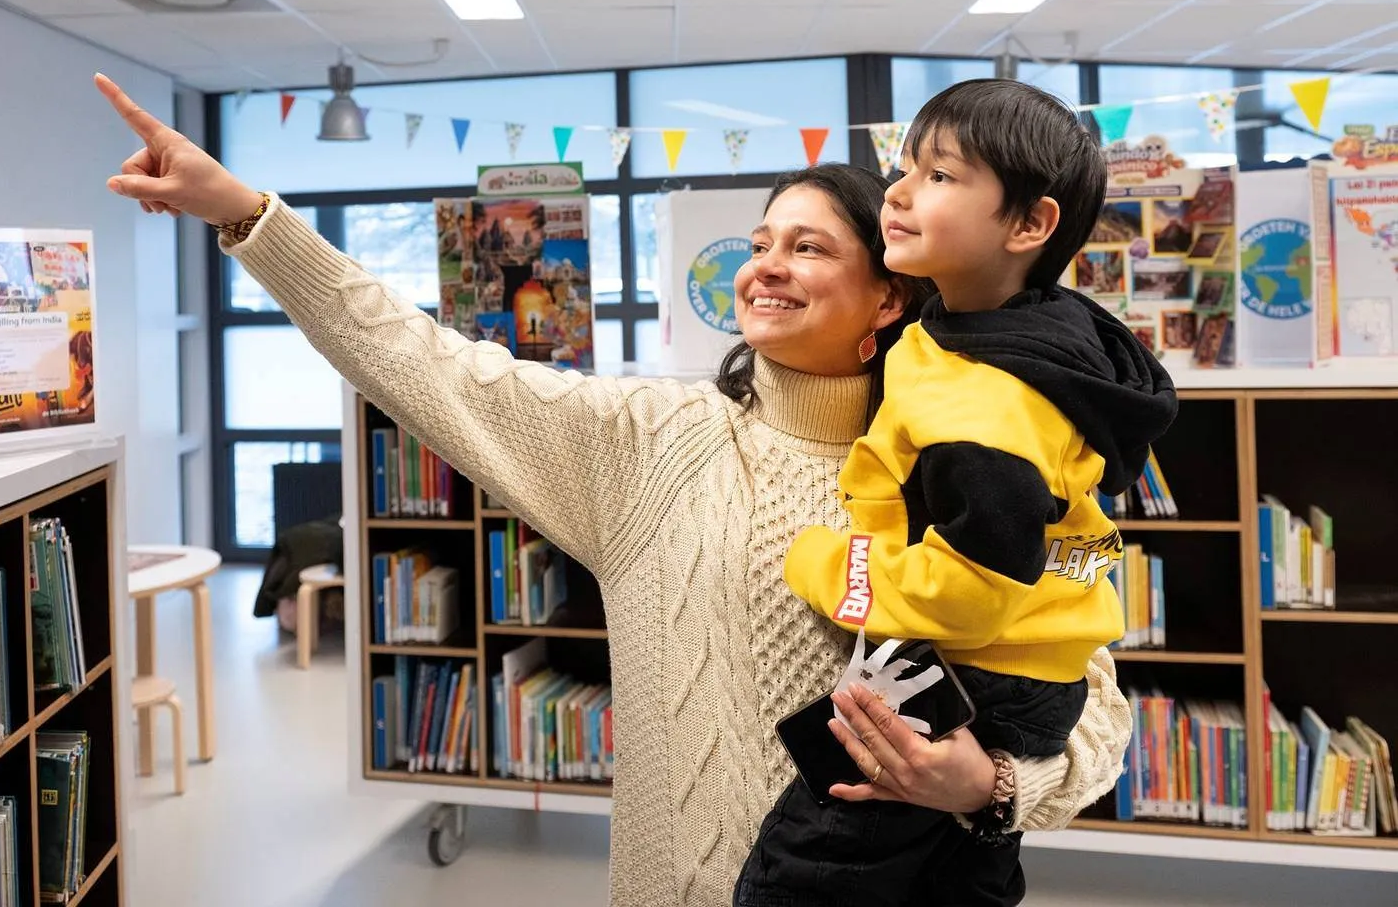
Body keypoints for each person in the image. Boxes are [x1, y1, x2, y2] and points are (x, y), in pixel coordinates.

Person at [93, 73, 1132, 907]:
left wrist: (991, 787)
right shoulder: (653, 442)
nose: (765, 267)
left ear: (889, 296)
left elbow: (1092, 707)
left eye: (809, 246)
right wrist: (244, 214)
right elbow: (421, 359)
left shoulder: (980, 453)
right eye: (761, 242)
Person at [739, 80, 1177, 905]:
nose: (899, 192)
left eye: (938, 176)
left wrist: (826, 564)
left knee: (807, 864)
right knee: (963, 875)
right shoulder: (1003, 338)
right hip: (1014, 671)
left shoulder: (985, 399)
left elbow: (970, 591)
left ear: (1028, 224)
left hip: (974, 671)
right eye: (904, 168)